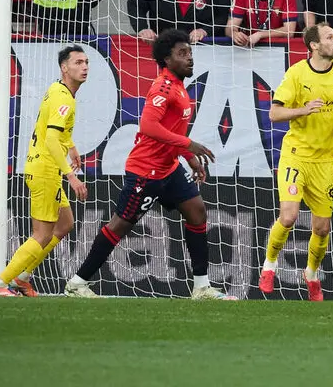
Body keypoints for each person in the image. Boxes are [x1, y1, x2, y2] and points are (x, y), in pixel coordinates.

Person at [64, 30, 229, 300]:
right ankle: (78, 281)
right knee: (120, 225)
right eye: (182, 54)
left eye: (190, 53)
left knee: (197, 212)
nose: (189, 59)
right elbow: (149, 126)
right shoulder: (163, 87)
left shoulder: (178, 86)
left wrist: (187, 158)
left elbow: (169, 129)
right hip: (146, 171)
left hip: (169, 167)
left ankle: (201, 287)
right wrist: (188, 145)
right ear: (166, 59)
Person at [259, 22, 333, 301]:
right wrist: (303, 110)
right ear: (314, 46)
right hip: (296, 155)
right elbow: (274, 113)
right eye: (329, 37)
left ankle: (311, 274)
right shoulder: (297, 73)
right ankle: (269, 265)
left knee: (322, 227)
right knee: (289, 216)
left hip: (326, 161)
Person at [0, 45, 89, 297]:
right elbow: (52, 140)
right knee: (42, 234)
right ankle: (0, 283)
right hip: (45, 169)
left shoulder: (57, 89)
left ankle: (22, 277)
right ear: (64, 68)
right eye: (78, 62)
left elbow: (50, 128)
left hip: (45, 167)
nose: (84, 66)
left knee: (65, 224)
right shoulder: (64, 97)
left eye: (86, 62)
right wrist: (71, 175)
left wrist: (72, 146)